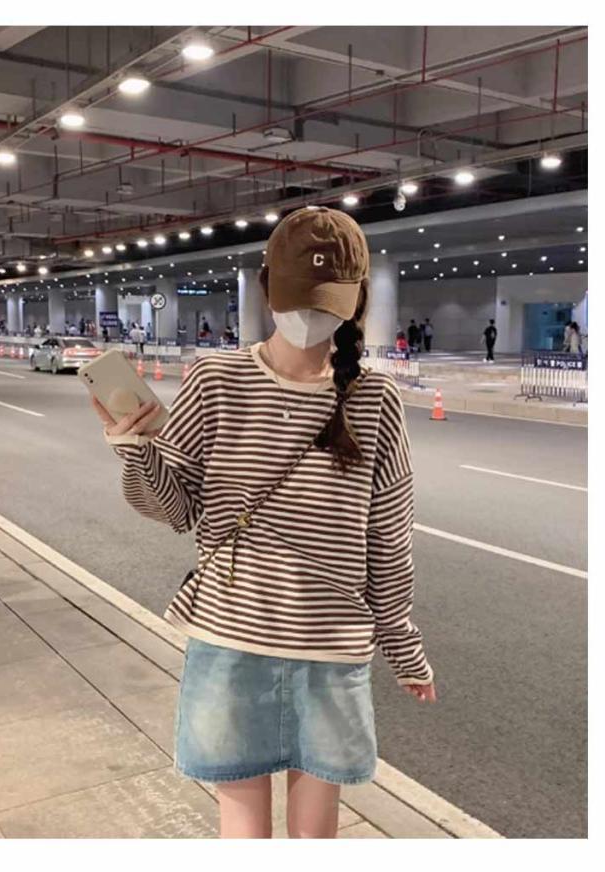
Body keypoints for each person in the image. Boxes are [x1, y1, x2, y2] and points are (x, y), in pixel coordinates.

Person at [90, 206, 436, 839]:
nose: (309, 315)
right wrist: (134, 448)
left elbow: (388, 540)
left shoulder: (376, 397)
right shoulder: (215, 378)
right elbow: (174, 509)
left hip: (329, 649)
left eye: (324, 300)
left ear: (356, 299)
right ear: (268, 286)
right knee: (245, 833)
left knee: (312, 838)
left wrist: (403, 647)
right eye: (300, 296)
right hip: (231, 642)